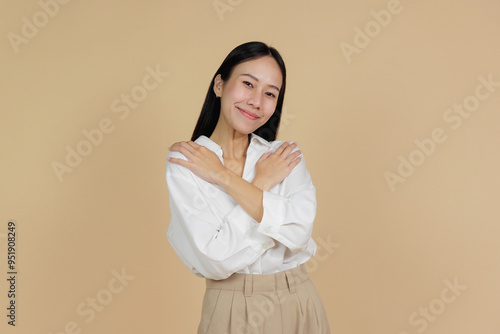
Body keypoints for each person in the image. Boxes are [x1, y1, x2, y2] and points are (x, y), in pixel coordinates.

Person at [165, 41, 331, 333]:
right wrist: (262, 184)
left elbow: (299, 232)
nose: (256, 101)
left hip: (299, 301)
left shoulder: (283, 156)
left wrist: (223, 177)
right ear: (219, 84)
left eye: (270, 93)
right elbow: (214, 259)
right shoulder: (187, 161)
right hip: (229, 307)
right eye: (248, 84)